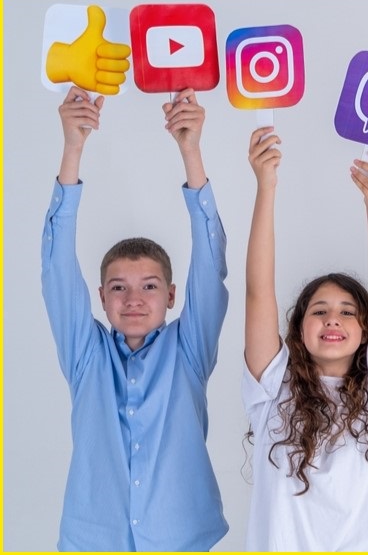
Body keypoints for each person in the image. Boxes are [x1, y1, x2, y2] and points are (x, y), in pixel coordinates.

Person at [42, 86, 229, 550]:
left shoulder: (189, 350)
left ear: (170, 296)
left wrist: (191, 150)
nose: (133, 300)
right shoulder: (85, 356)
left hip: (181, 537)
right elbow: (55, 267)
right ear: (101, 298)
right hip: (94, 539)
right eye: (119, 289)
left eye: (148, 287)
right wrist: (73, 148)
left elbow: (211, 262)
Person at [242, 127, 368, 550]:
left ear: (365, 332)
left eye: (347, 312)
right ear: (299, 330)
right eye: (319, 311)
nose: (332, 319)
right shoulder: (271, 392)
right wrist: (266, 187)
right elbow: (258, 291)